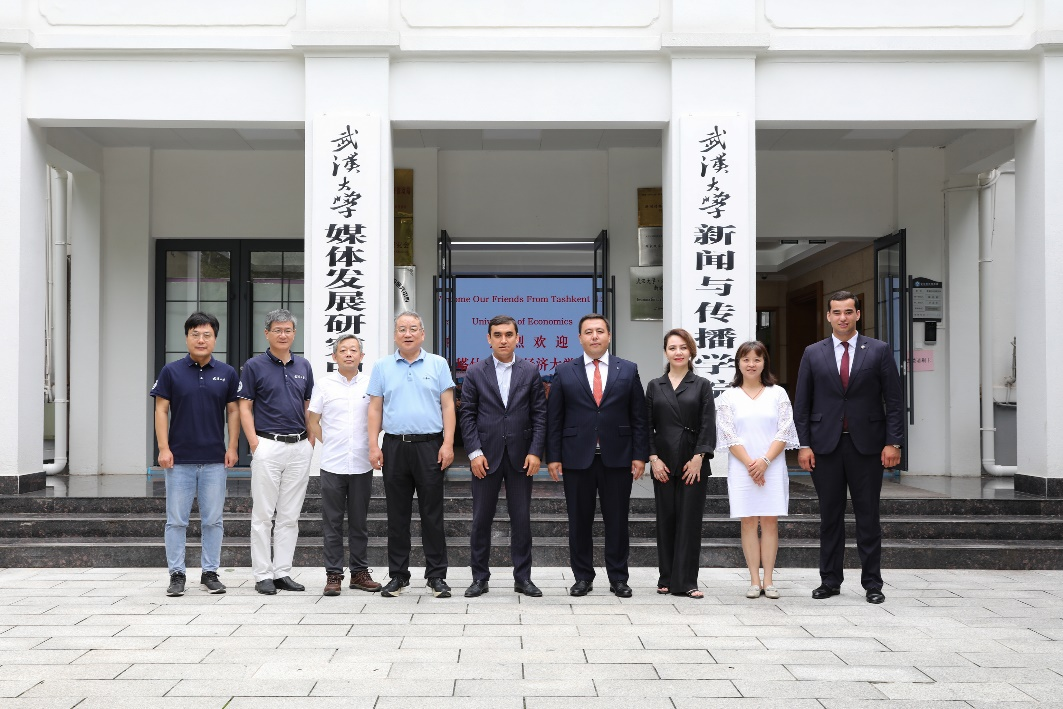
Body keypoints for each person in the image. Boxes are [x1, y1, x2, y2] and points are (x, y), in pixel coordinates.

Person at [793, 290, 904, 605]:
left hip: (867, 447)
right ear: (828, 316)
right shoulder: (813, 353)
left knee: (868, 516)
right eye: (837, 312)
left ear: (858, 314)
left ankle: (873, 583)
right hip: (824, 447)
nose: (843, 317)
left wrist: (893, 442)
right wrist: (803, 445)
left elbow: (894, 401)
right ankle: (829, 581)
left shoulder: (879, 350)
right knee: (830, 516)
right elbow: (802, 404)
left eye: (848, 311)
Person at [546, 314, 649, 598]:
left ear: (609, 336)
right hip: (576, 458)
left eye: (600, 331)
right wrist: (553, 456)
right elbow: (554, 417)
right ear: (580, 338)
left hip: (618, 457)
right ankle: (582, 577)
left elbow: (639, 416)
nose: (594, 336)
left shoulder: (627, 369)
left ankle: (618, 578)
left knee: (617, 520)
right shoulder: (564, 371)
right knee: (579, 521)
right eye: (588, 332)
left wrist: (640, 455)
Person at [458, 315, 548, 598]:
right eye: (497, 335)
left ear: (517, 338)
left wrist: (535, 451)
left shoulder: (530, 371)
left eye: (509, 334)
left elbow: (540, 414)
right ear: (489, 339)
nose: (503, 340)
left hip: (521, 457)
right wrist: (474, 453)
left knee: (521, 519)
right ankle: (479, 578)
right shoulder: (475, 372)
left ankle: (523, 578)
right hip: (485, 457)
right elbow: (467, 415)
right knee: (481, 520)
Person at [368, 311, 456, 599]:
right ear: (395, 335)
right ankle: (398, 576)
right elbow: (375, 408)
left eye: (413, 328)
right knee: (397, 515)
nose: (408, 333)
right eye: (402, 329)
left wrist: (448, 443)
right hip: (395, 446)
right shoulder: (382, 366)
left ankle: (436, 576)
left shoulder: (438, 364)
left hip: (430, 446)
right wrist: (373, 445)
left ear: (423, 334)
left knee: (432, 514)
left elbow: (448, 406)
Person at [151, 311, 239, 597]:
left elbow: (233, 411)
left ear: (215, 338)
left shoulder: (227, 373)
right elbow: (161, 410)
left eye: (207, 335)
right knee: (176, 521)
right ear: (187, 337)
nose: (201, 340)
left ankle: (210, 572)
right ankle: (176, 574)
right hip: (179, 460)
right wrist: (163, 448)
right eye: (195, 334)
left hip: (214, 460)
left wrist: (232, 446)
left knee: (213, 520)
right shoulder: (171, 371)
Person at [238, 309, 316, 595]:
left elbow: (308, 405)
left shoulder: (303, 365)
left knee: (289, 516)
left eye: (288, 330)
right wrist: (254, 444)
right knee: (262, 515)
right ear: (267, 333)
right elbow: (245, 407)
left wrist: (310, 440)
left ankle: (282, 572)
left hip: (299, 447)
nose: (283, 335)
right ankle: (262, 574)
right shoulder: (254, 366)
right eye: (277, 330)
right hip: (267, 445)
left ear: (294, 334)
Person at [715, 340, 800, 600]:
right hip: (742, 468)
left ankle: (769, 581)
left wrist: (764, 461)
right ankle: (754, 580)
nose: (751, 364)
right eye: (746, 359)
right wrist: (752, 464)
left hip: (772, 466)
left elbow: (784, 430)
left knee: (770, 521)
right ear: (738, 363)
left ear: (765, 363)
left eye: (757, 359)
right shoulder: (727, 397)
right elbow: (728, 434)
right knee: (749, 521)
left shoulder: (778, 393)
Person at [307, 334, 381, 596]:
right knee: (332, 523)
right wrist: (330, 442)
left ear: (362, 356)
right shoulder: (324, 385)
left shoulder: (371, 384)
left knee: (359, 523)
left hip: (362, 464)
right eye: (343, 350)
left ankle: (359, 573)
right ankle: (333, 575)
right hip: (332, 464)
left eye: (353, 350)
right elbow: (313, 420)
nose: (349, 354)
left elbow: (378, 418)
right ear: (334, 356)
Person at [645, 328, 716, 599]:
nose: (678, 352)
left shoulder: (701, 384)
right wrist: (653, 459)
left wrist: (699, 457)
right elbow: (646, 426)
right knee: (666, 520)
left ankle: (687, 581)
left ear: (691, 351)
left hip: (692, 460)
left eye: (683, 347)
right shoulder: (655, 385)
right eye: (672, 348)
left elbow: (708, 424)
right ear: (666, 352)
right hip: (662, 461)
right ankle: (666, 577)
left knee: (689, 521)